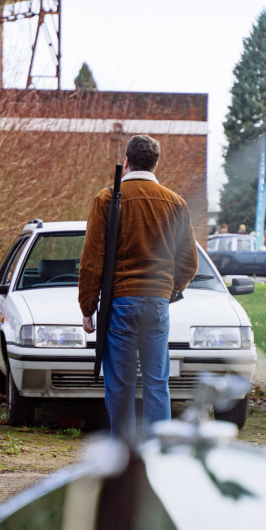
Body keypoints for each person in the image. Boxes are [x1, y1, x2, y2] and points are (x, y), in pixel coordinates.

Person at [78, 134, 198, 443]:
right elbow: (189, 263)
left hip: (120, 303)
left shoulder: (107, 199)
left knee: (121, 384)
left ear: (126, 161)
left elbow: (93, 258)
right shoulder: (176, 202)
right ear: (157, 163)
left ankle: (123, 454)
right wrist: (168, 293)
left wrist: (88, 307)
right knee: (158, 382)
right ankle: (161, 453)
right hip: (157, 303)